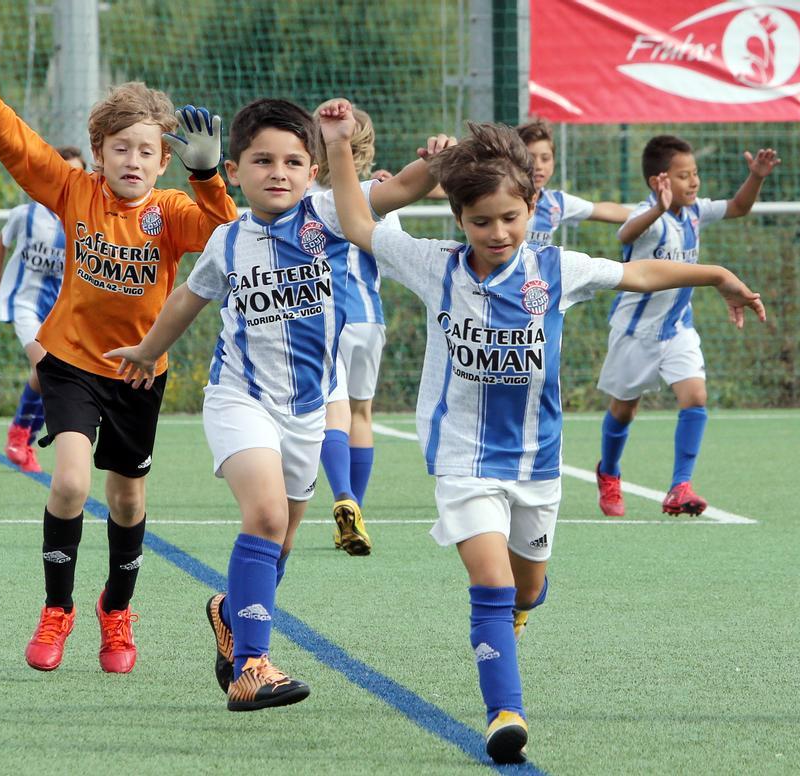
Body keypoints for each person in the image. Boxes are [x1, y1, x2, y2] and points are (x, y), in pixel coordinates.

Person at [321, 104, 766, 764]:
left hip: (536, 464)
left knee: (528, 588)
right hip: (462, 460)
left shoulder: (558, 269)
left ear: (532, 208)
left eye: (510, 217)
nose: (497, 231)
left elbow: (640, 272)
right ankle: (505, 712)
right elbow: (356, 220)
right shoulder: (432, 264)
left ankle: (518, 616)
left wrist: (718, 275)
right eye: (481, 221)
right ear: (459, 221)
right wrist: (335, 145)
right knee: (491, 585)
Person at [103, 98, 448, 711]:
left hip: (307, 410)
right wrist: (147, 350)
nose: (279, 172)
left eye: (293, 161)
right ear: (234, 171)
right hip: (240, 398)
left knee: (281, 543)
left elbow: (398, 192)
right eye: (262, 160)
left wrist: (441, 163)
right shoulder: (228, 240)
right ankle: (252, 667)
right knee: (263, 518)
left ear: (312, 171)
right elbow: (187, 298)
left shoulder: (330, 215)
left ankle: (229, 611)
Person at [0, 15, 237, 673]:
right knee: (68, 483)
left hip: (140, 377)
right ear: (98, 152)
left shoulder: (175, 213)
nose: (133, 160)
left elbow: (229, 242)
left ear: (164, 159)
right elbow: (18, 146)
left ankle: (115, 611)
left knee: (127, 501)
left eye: (147, 151)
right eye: (120, 148)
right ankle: (56, 610)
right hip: (69, 363)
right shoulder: (73, 191)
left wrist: (209, 181)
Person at [594, 135, 780, 517]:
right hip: (635, 331)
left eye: (694, 174)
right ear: (659, 182)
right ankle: (609, 472)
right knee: (624, 410)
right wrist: (657, 209)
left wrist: (756, 177)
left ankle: (680, 486)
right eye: (683, 176)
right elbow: (623, 235)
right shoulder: (647, 216)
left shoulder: (695, 211)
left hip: (677, 327)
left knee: (695, 396)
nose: (693, 182)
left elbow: (739, 207)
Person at [309, 101, 401, 556]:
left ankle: (342, 494)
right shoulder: (378, 197)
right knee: (362, 414)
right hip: (368, 319)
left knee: (333, 414)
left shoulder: (301, 199)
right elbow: (391, 253)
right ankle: (355, 509)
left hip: (321, 320)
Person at [0, 147, 87, 473]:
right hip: (24, 304)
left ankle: (23, 437)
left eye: (76, 174)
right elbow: (2, 241)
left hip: (60, 309)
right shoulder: (25, 215)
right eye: (62, 171)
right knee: (46, 366)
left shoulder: (82, 219)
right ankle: (21, 435)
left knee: (48, 371)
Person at [514, 118, 631, 249]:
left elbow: (601, 210)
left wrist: (649, 214)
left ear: (553, 161)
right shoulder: (505, 200)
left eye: (545, 158)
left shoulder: (556, 202)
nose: (538, 165)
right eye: (530, 158)